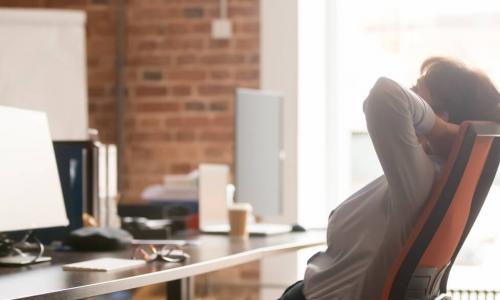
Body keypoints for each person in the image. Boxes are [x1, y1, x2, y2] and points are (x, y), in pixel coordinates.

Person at [279, 57, 500, 300]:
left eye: (417, 89)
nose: (409, 92)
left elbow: (385, 96)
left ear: (441, 115)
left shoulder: (422, 179)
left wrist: (442, 131)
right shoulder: (424, 175)